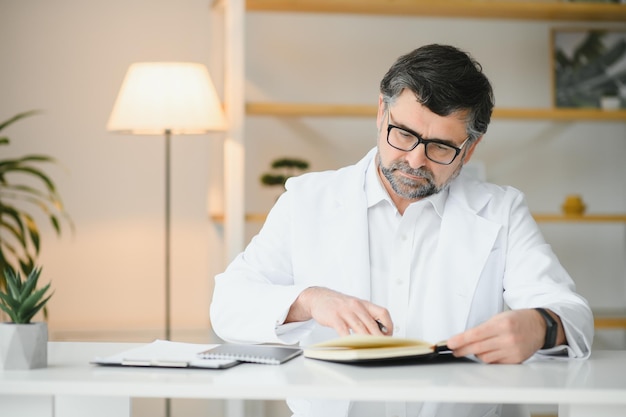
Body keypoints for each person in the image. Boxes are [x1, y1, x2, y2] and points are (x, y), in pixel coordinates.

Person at [210, 44, 594, 417]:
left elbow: (573, 314)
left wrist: (541, 326)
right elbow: (228, 305)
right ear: (381, 112)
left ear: (470, 149)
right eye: (404, 134)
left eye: (441, 147)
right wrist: (309, 300)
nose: (415, 159)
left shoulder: (502, 211)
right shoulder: (307, 199)